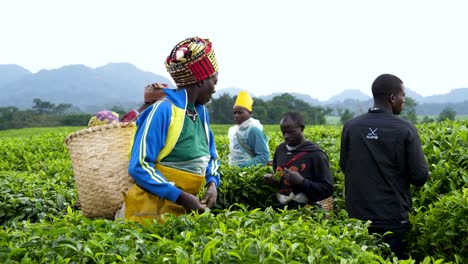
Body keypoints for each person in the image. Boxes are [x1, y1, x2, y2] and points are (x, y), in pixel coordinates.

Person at [122, 37, 220, 223]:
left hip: (183, 210)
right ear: (200, 81)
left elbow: (211, 156)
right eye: (213, 82)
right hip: (149, 211)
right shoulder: (162, 111)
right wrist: (180, 196)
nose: (215, 89)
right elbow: (139, 166)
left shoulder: (202, 113)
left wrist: (212, 183)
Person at [339, 73, 429, 258]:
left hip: (357, 217)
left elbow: (344, 166)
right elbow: (420, 177)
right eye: (403, 96)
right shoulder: (405, 129)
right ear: (392, 98)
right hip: (392, 217)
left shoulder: (351, 127)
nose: (403, 101)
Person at [264, 111, 333, 210]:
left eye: (291, 132)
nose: (286, 136)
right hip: (281, 209)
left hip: (306, 211)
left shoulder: (315, 154)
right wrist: (273, 180)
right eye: (283, 132)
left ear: (302, 128)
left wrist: (302, 182)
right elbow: (278, 175)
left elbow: (327, 189)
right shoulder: (280, 150)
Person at [228, 91, 270, 167]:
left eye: (240, 113)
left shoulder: (253, 130)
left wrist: (241, 167)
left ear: (250, 113)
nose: (236, 115)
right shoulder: (234, 130)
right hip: (234, 172)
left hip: (247, 172)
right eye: (234, 113)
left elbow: (263, 157)